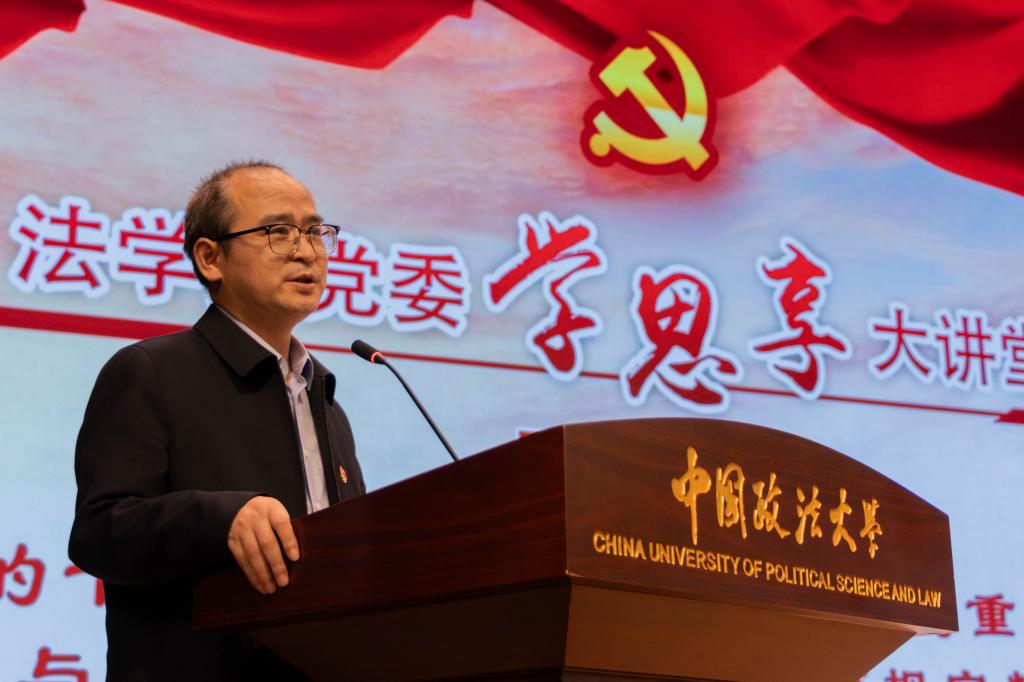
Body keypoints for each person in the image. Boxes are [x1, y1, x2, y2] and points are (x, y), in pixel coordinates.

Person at [68, 161, 365, 681]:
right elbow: (99, 532)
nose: (307, 251)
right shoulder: (151, 372)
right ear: (210, 258)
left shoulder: (323, 396)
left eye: (315, 232)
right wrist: (219, 519)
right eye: (278, 231)